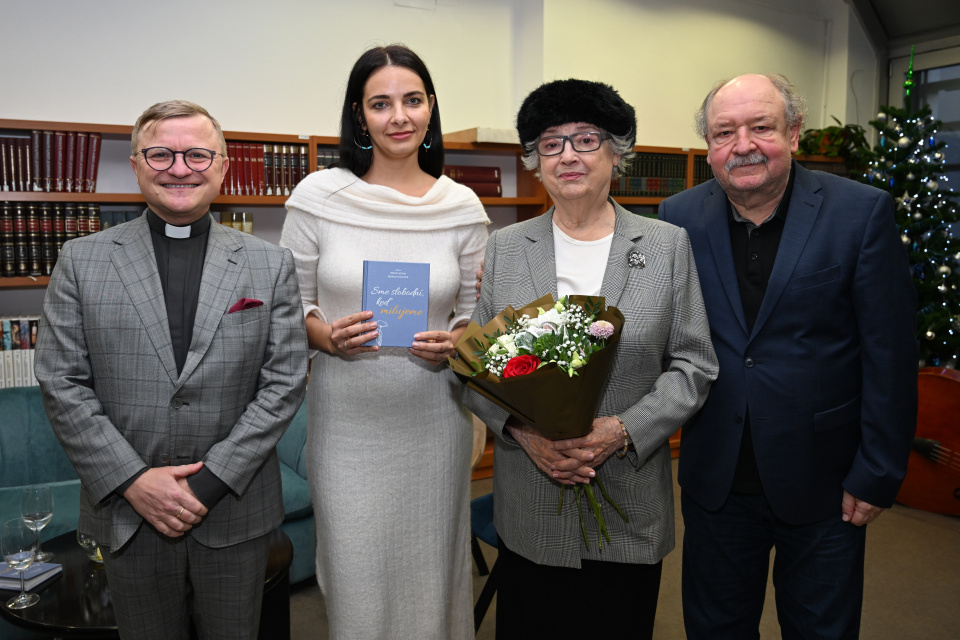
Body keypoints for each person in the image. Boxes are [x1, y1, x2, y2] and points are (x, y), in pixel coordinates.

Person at [34, 100, 308, 640]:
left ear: (223, 166)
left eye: (197, 154)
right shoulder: (81, 260)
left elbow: (284, 381)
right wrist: (134, 481)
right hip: (128, 514)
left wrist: (209, 482)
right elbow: (60, 381)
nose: (179, 168)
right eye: (161, 154)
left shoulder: (269, 264)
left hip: (235, 509)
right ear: (137, 164)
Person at [658, 74, 918, 639]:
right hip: (716, 479)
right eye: (725, 131)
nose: (743, 144)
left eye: (761, 127)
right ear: (709, 147)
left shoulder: (861, 213)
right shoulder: (676, 217)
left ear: (794, 134)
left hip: (827, 482)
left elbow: (890, 356)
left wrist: (877, 473)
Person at [463, 78, 718, 639]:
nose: (568, 155)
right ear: (534, 161)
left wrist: (620, 430)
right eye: (550, 143)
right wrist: (527, 435)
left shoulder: (666, 245)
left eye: (586, 139)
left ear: (617, 152)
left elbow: (695, 366)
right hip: (531, 500)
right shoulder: (506, 247)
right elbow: (476, 372)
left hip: (627, 495)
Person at [280, 44, 488, 639]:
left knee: (434, 572)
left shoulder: (463, 207)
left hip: (436, 420)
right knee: (355, 576)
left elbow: (473, 318)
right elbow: (290, 304)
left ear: (430, 108)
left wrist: (454, 343)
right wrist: (326, 336)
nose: (399, 116)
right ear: (359, 115)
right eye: (381, 103)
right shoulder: (320, 197)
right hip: (348, 424)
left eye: (412, 100)